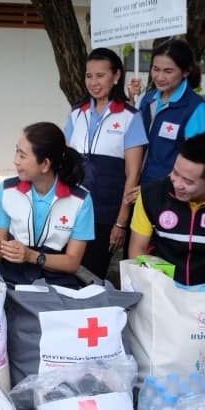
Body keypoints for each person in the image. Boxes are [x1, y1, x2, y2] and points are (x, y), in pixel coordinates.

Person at [64, 47, 147, 279]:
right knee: (64, 271)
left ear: (116, 76)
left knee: (91, 275)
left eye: (100, 75)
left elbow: (132, 175)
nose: (94, 82)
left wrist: (120, 223)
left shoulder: (130, 116)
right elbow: (65, 162)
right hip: (72, 209)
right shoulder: (76, 114)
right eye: (89, 76)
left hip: (105, 212)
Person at [0, 122, 94, 288]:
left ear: (45, 165)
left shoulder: (80, 200)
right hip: (11, 277)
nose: (16, 161)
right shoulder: (6, 190)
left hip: (57, 282)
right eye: (16, 151)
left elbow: (72, 263)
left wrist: (31, 256)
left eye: (22, 156)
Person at [128, 134, 205, 286]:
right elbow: (138, 248)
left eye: (188, 181)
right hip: (163, 291)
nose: (178, 184)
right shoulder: (151, 195)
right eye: (175, 173)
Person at [138, 39, 205, 183]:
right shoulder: (148, 99)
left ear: (186, 71)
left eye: (168, 71)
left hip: (169, 191)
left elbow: (193, 160)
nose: (159, 77)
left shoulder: (195, 107)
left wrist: (157, 188)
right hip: (138, 185)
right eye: (155, 69)